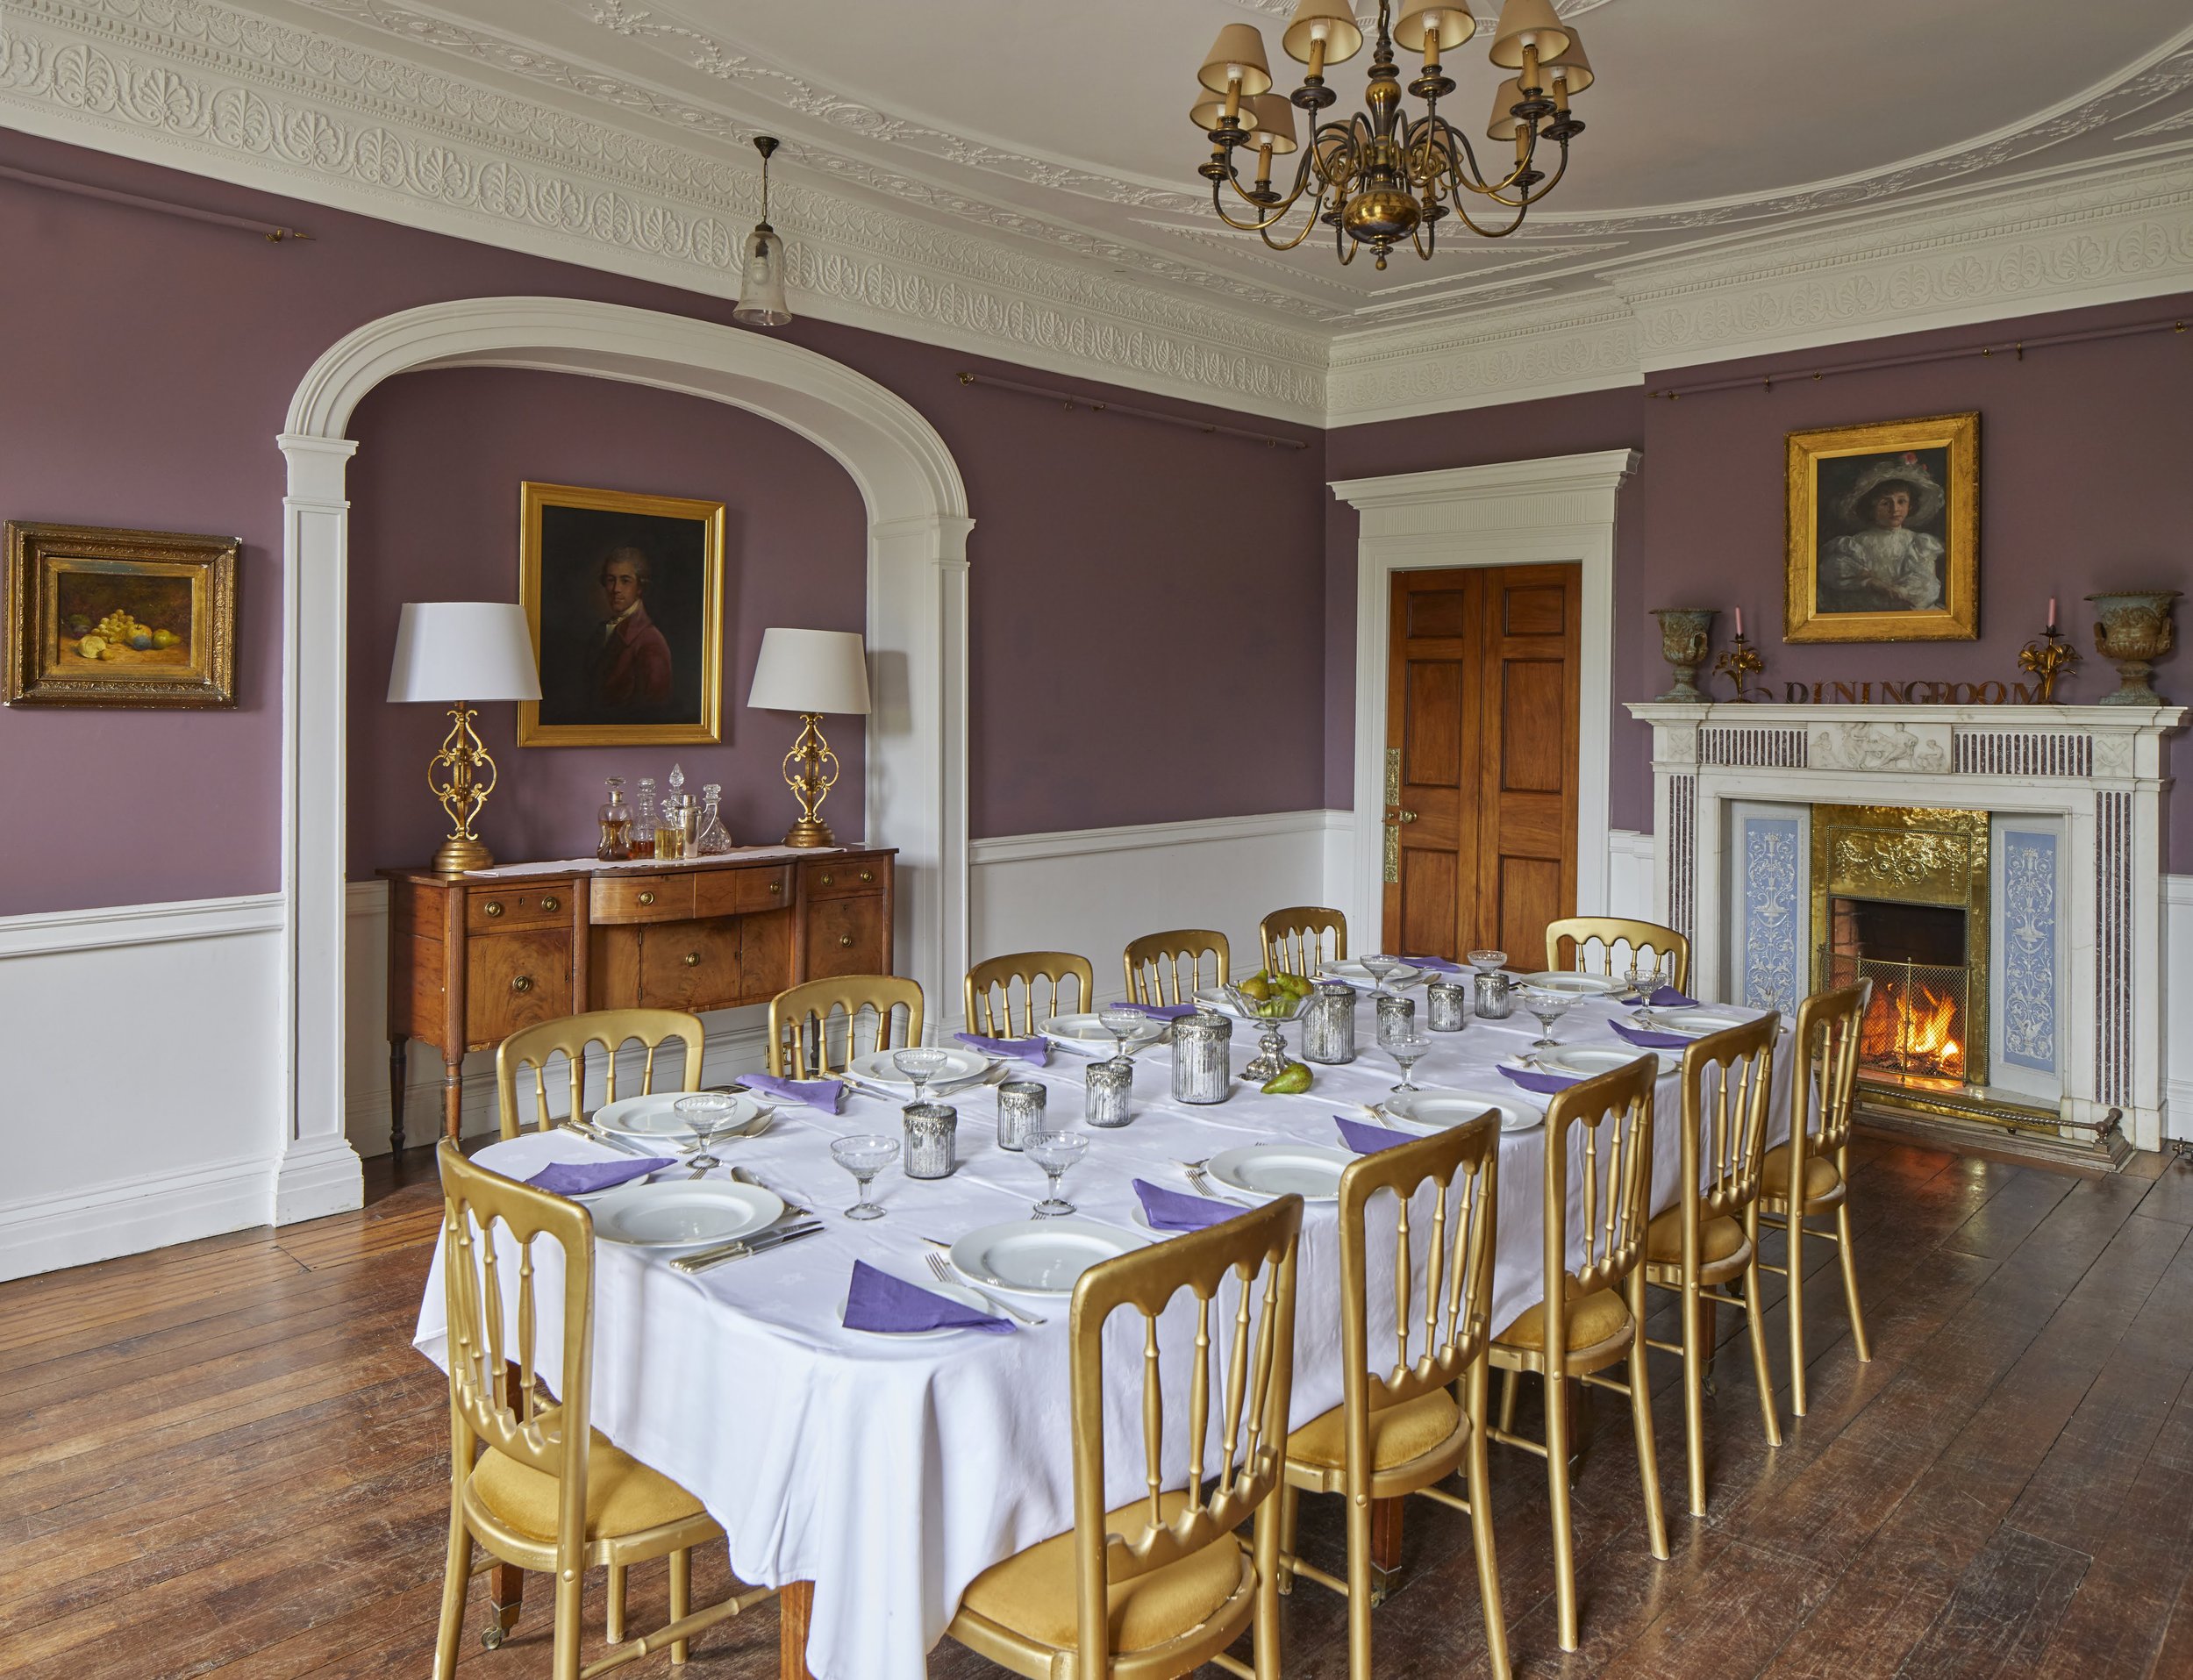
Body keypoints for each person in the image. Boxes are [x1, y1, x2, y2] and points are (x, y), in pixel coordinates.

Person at [1818, 453, 1947, 613]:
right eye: (1885, 503)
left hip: (1909, 613)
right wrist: (1869, 582)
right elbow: (1831, 571)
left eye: (1901, 501)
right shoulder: (1855, 544)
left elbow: (1925, 584)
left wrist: (1901, 592)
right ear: (1871, 507)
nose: (1895, 509)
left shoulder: (1918, 542)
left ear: (1911, 505)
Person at [584, 545, 673, 713]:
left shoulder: (651, 642)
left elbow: (654, 712)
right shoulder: (600, 632)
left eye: (625, 581)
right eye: (611, 580)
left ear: (640, 587)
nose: (616, 589)